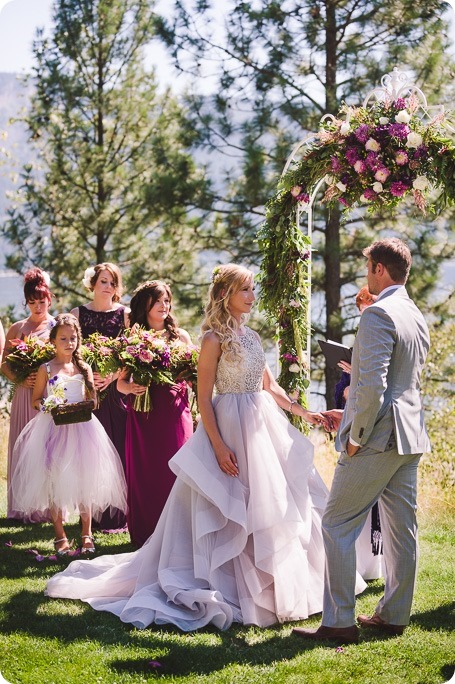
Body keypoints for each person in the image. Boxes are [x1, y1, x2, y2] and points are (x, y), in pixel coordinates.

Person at [45, 264, 366, 630]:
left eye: (251, 289)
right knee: (228, 508)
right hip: (229, 425)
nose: (251, 296)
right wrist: (217, 445)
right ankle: (228, 582)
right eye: (244, 289)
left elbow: (270, 387)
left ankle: (273, 584)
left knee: (270, 503)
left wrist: (306, 413)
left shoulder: (253, 337)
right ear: (226, 294)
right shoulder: (212, 339)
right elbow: (204, 395)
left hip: (262, 426)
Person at [294, 238, 430, 645]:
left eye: (369, 265)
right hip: (409, 436)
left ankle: (338, 622)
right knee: (401, 530)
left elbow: (371, 387)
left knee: (336, 524)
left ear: (380, 271)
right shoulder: (414, 314)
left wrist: (355, 437)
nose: (366, 272)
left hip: (377, 438)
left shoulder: (378, 315)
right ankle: (394, 615)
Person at [10, 314, 127, 555]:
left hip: (83, 428)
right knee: (55, 480)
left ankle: (86, 532)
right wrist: (50, 405)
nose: (69, 343)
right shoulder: (45, 368)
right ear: (53, 340)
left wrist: (87, 404)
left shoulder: (83, 367)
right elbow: (36, 400)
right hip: (54, 428)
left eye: (73, 338)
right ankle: (60, 534)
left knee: (85, 479)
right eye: (63, 338)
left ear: (78, 340)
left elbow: (93, 400)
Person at [117, 280, 194, 547]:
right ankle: (147, 535)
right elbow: (120, 383)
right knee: (147, 474)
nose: (164, 306)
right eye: (158, 300)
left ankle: (180, 536)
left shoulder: (181, 337)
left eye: (167, 301)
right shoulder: (133, 338)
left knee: (178, 471)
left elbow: (195, 373)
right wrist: (131, 387)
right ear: (146, 304)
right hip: (145, 415)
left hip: (176, 413)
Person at [71, 263, 130, 532]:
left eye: (112, 282)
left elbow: (131, 352)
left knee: (117, 448)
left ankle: (118, 515)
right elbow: (71, 350)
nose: (108, 287)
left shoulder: (125, 314)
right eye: (103, 281)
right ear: (92, 283)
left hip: (116, 390)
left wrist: (113, 376)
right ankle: (91, 516)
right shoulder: (77, 313)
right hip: (87, 391)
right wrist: (87, 377)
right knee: (90, 453)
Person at [334, 285, 383, 581]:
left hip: (373, 426)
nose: (363, 311)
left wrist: (357, 377)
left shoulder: (379, 333)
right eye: (360, 306)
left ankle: (376, 563)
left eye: (367, 304)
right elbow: (343, 391)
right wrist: (349, 379)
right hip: (355, 420)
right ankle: (361, 563)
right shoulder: (358, 342)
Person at [1, 267, 54, 521]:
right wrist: (21, 378)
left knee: (47, 449)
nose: (37, 306)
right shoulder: (17, 328)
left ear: (49, 299)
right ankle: (21, 506)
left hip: (47, 395)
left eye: (41, 301)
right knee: (22, 448)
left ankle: (47, 508)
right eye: (32, 302)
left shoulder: (56, 327)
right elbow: (4, 364)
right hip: (23, 396)